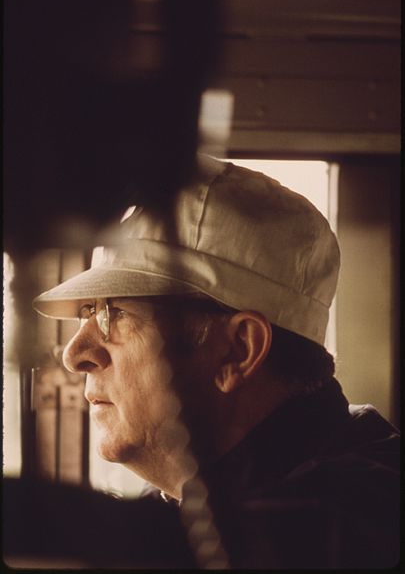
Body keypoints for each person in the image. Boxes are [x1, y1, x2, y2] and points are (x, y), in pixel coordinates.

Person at [31, 154, 399, 568]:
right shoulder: (189, 499)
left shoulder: (372, 512)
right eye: (87, 313)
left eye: (113, 314)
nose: (74, 355)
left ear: (238, 350)